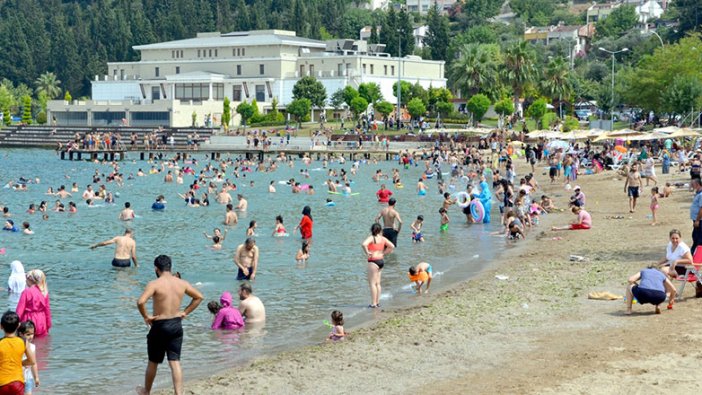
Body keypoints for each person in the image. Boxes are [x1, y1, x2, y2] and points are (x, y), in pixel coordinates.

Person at [136, 255, 204, 395]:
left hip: (160, 326)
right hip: (176, 324)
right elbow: (199, 297)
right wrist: (185, 312)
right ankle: (178, 393)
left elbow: (140, 302)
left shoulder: (154, 284)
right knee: (174, 361)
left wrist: (146, 317)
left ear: (156, 268)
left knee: (153, 362)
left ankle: (146, 391)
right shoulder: (181, 283)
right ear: (170, 267)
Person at [0, 311, 35, 395]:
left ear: (1, 326)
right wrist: (19, 362)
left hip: (2, 383)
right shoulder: (23, 341)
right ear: (18, 325)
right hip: (18, 382)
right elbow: (32, 361)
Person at [362, 223, 395, 308]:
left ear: (372, 230)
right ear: (380, 230)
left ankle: (373, 303)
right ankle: (377, 302)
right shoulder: (383, 238)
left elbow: (364, 244)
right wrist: (384, 253)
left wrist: (367, 252)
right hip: (381, 260)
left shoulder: (372, 238)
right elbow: (392, 246)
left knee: (372, 283)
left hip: (373, 261)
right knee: (378, 283)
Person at [15, 270, 51, 337]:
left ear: (30, 280)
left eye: (26, 279)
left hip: (29, 320)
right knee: (42, 342)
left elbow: (20, 310)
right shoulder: (44, 292)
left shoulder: (26, 292)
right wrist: (48, 324)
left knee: (28, 340)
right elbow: (47, 310)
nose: (25, 281)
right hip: (42, 321)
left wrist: (15, 323)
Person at [17, 321, 39, 395]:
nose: (31, 336)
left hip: (28, 377)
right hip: (18, 378)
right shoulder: (18, 346)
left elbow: (34, 363)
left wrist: (36, 377)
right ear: (20, 334)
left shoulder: (32, 347)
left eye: (32, 334)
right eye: (28, 334)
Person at [690, 178, 702, 253]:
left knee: (699, 237)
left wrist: (697, 220)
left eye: (692, 184)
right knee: (695, 236)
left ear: (697, 184)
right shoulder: (697, 193)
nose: (691, 185)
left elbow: (701, 208)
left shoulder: (701, 194)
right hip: (696, 219)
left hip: (700, 220)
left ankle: (696, 253)